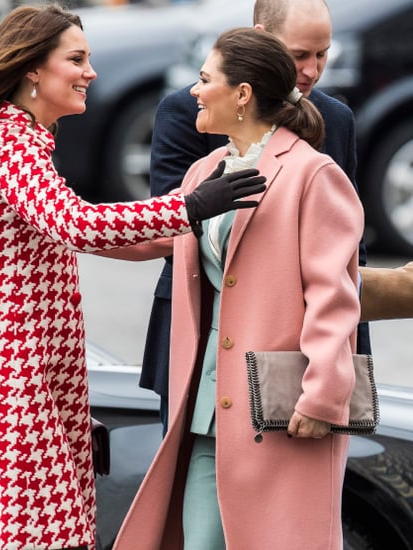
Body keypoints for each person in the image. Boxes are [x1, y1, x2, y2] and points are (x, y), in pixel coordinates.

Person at [0, 5, 266, 550]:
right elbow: (77, 223)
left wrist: (197, 231)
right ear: (33, 69)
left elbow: (91, 235)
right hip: (6, 382)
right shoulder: (10, 140)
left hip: (16, 376)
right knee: (40, 536)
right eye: (77, 59)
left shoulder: (18, 139)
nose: (91, 72)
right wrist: (188, 207)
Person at [113, 26, 363, 550]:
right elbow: (149, 233)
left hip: (284, 413)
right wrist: (49, 216)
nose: (194, 91)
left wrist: (322, 397)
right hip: (210, 411)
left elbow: (334, 297)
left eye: (205, 79)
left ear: (242, 94)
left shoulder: (313, 175)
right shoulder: (208, 169)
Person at [141, 0, 370, 435]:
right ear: (263, 39)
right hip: (200, 334)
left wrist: (333, 372)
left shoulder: (333, 121)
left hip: (296, 349)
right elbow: (163, 225)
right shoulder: (192, 122)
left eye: (322, 54)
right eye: (300, 54)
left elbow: (344, 258)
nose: (312, 69)